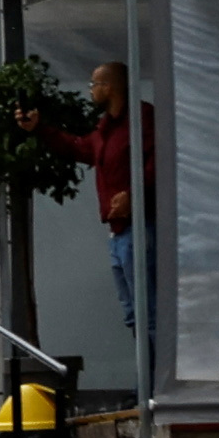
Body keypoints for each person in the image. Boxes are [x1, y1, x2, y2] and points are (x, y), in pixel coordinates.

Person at [79, 63, 135, 328]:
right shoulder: (106, 128)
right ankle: (148, 366)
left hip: (137, 229)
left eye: (94, 85)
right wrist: (39, 129)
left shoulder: (140, 120)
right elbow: (81, 147)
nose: (91, 91)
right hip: (117, 232)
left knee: (145, 310)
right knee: (132, 312)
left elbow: (157, 163)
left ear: (109, 88)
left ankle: (157, 368)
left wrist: (134, 195)